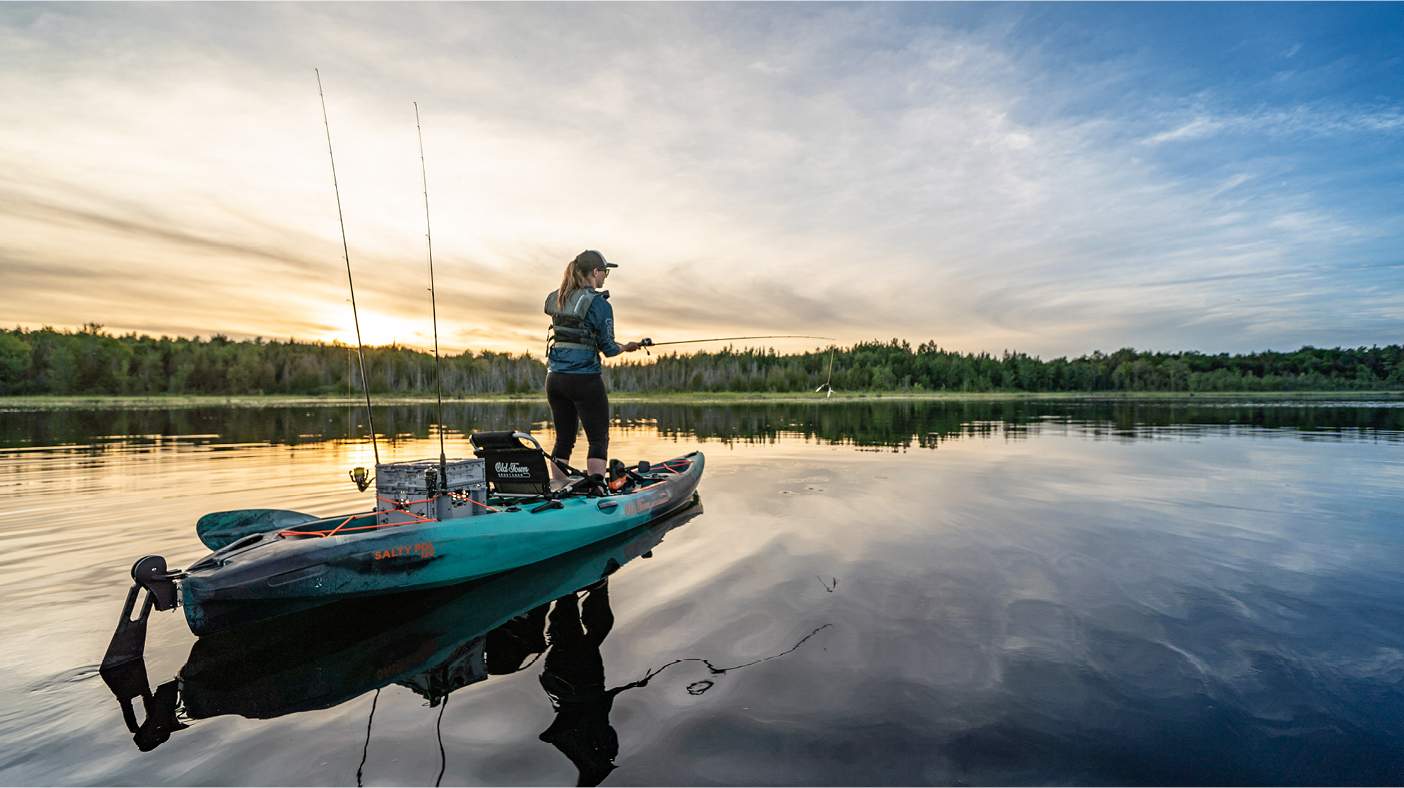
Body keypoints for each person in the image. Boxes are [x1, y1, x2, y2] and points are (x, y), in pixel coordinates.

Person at [544, 250, 641, 482]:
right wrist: (626, 347)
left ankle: (558, 486)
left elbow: (581, 337)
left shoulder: (560, 298)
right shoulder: (600, 304)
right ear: (594, 272)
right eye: (604, 272)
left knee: (563, 440)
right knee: (598, 439)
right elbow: (608, 349)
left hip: (555, 379)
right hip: (584, 380)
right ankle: (597, 492)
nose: (605, 277)